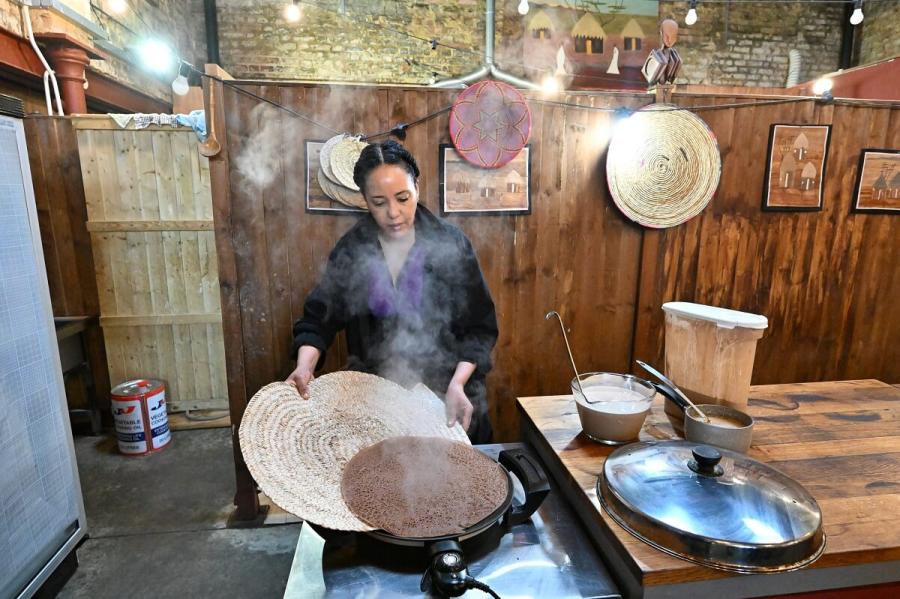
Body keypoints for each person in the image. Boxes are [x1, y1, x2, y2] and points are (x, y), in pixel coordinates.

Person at [286, 140, 498, 443]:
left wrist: (458, 384)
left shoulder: (451, 244)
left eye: (402, 198)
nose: (394, 213)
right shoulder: (354, 248)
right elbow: (319, 318)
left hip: (448, 397)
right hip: (378, 402)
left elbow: (480, 328)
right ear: (365, 200)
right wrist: (304, 368)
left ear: (417, 187)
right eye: (379, 202)